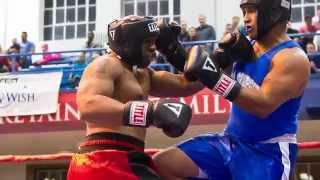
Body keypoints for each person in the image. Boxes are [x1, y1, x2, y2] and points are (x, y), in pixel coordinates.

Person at [153, 0, 310, 179]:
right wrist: (173, 51)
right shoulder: (243, 45)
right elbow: (200, 75)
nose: (246, 19)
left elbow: (263, 105)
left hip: (267, 153)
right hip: (230, 142)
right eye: (244, 12)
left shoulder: (292, 59)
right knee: (163, 164)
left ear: (273, 12)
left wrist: (217, 79)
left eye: (251, 11)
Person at [67, 16, 204, 180]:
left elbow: (186, 84)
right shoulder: (105, 65)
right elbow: (88, 106)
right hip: (101, 159)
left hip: (131, 158)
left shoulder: (144, 74)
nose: (154, 48)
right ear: (129, 43)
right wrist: (149, 112)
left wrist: (176, 53)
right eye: (147, 42)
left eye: (155, 41)